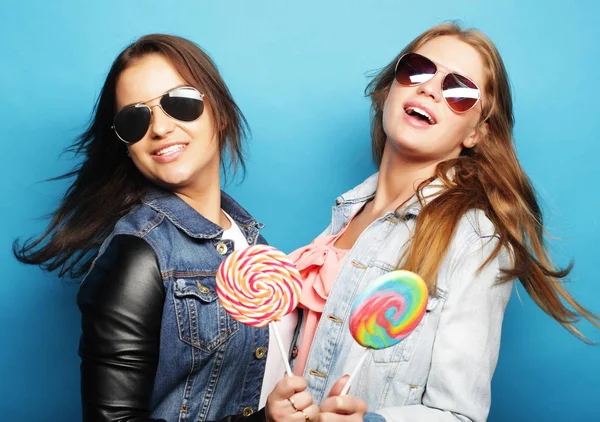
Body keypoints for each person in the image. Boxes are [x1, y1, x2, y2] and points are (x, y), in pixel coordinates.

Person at [288, 23, 600, 422]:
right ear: (388, 90)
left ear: (477, 133)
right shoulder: (347, 214)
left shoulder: (474, 239)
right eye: (416, 69)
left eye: (459, 91)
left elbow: (459, 414)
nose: (430, 89)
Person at [13, 34, 318, 422]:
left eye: (181, 103)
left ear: (219, 113)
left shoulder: (250, 241)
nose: (159, 129)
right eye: (135, 118)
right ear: (126, 144)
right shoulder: (138, 254)